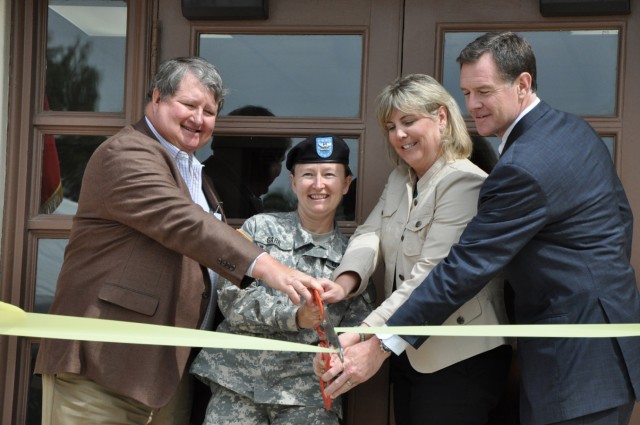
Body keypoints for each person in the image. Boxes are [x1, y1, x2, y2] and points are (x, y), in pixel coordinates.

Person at [319, 32, 640, 425]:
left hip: (576, 359)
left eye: (483, 91)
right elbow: (621, 220)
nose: (472, 105)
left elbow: (464, 267)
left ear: (522, 84)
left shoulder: (525, 163)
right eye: (467, 92)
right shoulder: (570, 130)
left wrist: (382, 341)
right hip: (593, 346)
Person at [34, 56, 328, 425]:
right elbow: (184, 223)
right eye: (188, 105)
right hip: (104, 367)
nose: (198, 119)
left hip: (163, 376)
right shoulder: (126, 153)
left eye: (209, 111)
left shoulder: (192, 167)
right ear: (157, 98)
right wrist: (269, 268)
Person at [313, 74, 511, 425]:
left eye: (408, 121)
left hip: (459, 362)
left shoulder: (464, 183)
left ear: (441, 118)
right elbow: (369, 232)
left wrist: (362, 332)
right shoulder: (399, 179)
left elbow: (431, 275)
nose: (399, 135)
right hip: (406, 349)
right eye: (391, 126)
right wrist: (344, 282)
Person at [191, 134, 376, 425]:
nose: (318, 185)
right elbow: (232, 298)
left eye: (329, 174)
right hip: (238, 387)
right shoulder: (260, 229)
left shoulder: (353, 259)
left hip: (308, 398)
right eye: (308, 175)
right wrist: (296, 316)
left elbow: (359, 327)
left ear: (346, 184)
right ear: (293, 182)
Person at [202, 105, 292, 218]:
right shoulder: (226, 195)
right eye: (279, 161)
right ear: (264, 158)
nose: (278, 173)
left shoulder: (206, 178)